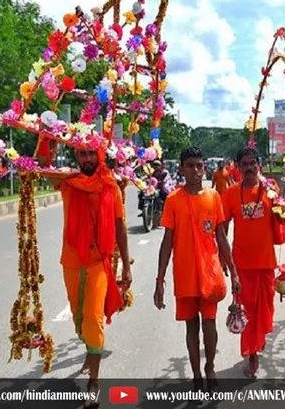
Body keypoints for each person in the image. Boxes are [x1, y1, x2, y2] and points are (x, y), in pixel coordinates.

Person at [43, 144, 132, 398]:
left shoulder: (110, 186)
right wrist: (48, 134)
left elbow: (120, 226)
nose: (88, 158)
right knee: (79, 318)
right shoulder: (68, 182)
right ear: (76, 157)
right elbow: (44, 165)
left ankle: (94, 380)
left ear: (100, 155)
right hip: (71, 260)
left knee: (93, 317)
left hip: (98, 262)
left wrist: (125, 265)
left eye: (92, 153)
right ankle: (90, 349)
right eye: (83, 153)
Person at [154, 146, 241, 391]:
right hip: (184, 274)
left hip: (210, 273)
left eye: (199, 165)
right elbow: (167, 242)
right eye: (190, 165)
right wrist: (159, 279)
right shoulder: (173, 200)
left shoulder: (213, 197)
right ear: (181, 168)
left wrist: (233, 271)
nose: (195, 170)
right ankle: (195, 374)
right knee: (191, 326)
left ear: (205, 168)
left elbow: (221, 237)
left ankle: (210, 367)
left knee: (210, 324)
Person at [221, 146, 277, 378]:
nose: (249, 167)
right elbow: (222, 229)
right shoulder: (231, 194)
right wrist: (223, 259)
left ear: (259, 164)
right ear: (238, 168)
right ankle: (252, 354)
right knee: (248, 313)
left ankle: (258, 343)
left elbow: (281, 219)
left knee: (265, 311)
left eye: (252, 162)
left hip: (266, 262)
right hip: (242, 265)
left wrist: (281, 210)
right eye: (244, 164)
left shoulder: (270, 190)